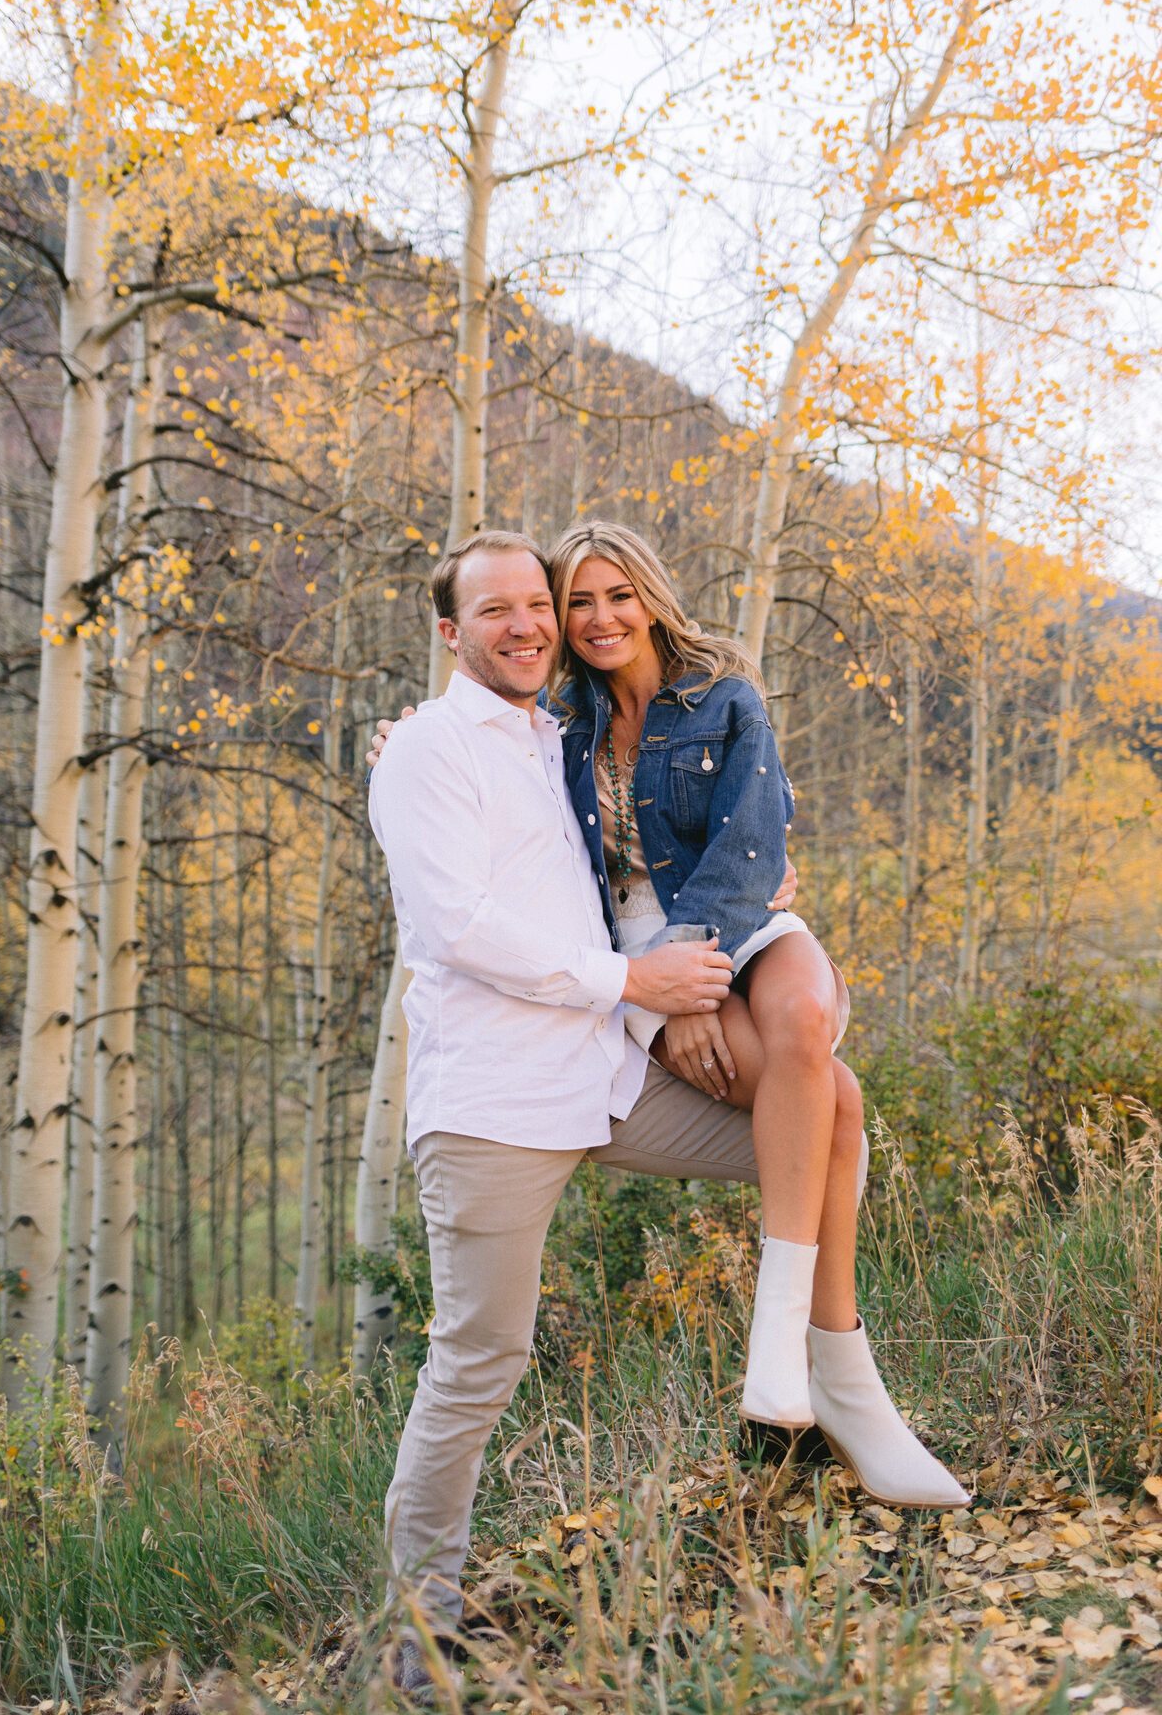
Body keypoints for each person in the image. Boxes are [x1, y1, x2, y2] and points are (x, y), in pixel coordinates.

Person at [367, 530, 964, 1679]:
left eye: (537, 605)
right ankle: (417, 1624)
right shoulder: (426, 750)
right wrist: (636, 982)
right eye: (497, 611)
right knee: (479, 1359)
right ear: (450, 633)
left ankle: (833, 1373)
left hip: (608, 1078)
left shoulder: (563, 731)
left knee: (830, 1107)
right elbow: (463, 930)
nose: (530, 624)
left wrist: (753, 875)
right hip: (497, 1099)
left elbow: (666, 828)